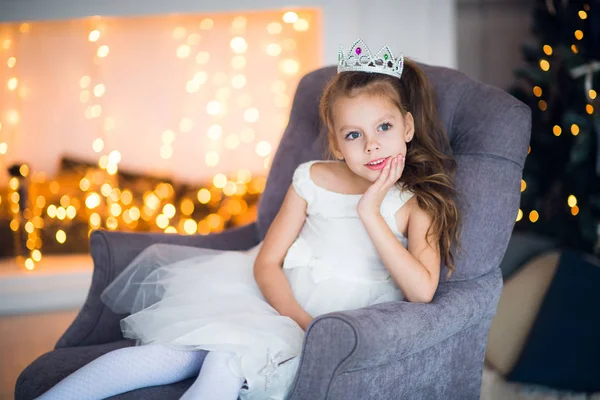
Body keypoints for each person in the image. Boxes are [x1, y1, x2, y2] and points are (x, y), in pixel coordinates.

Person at [36, 38, 460, 400]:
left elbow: (423, 291)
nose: (371, 146)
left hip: (338, 326)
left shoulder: (415, 203)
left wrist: (370, 211)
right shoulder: (312, 178)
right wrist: (294, 318)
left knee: (224, 360)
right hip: (270, 302)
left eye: (383, 127)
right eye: (354, 135)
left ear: (407, 126)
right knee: (172, 353)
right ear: (336, 141)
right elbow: (267, 262)